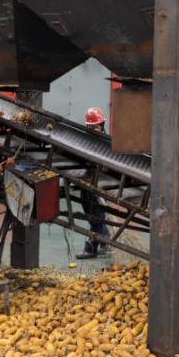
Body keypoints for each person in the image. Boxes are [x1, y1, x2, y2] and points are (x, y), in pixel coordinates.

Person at [77, 107, 111, 259]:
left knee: (95, 215)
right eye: (91, 127)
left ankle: (92, 247)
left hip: (99, 183)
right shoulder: (85, 140)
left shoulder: (106, 141)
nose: (94, 129)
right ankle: (105, 239)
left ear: (102, 125)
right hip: (87, 181)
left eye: (96, 126)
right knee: (91, 212)